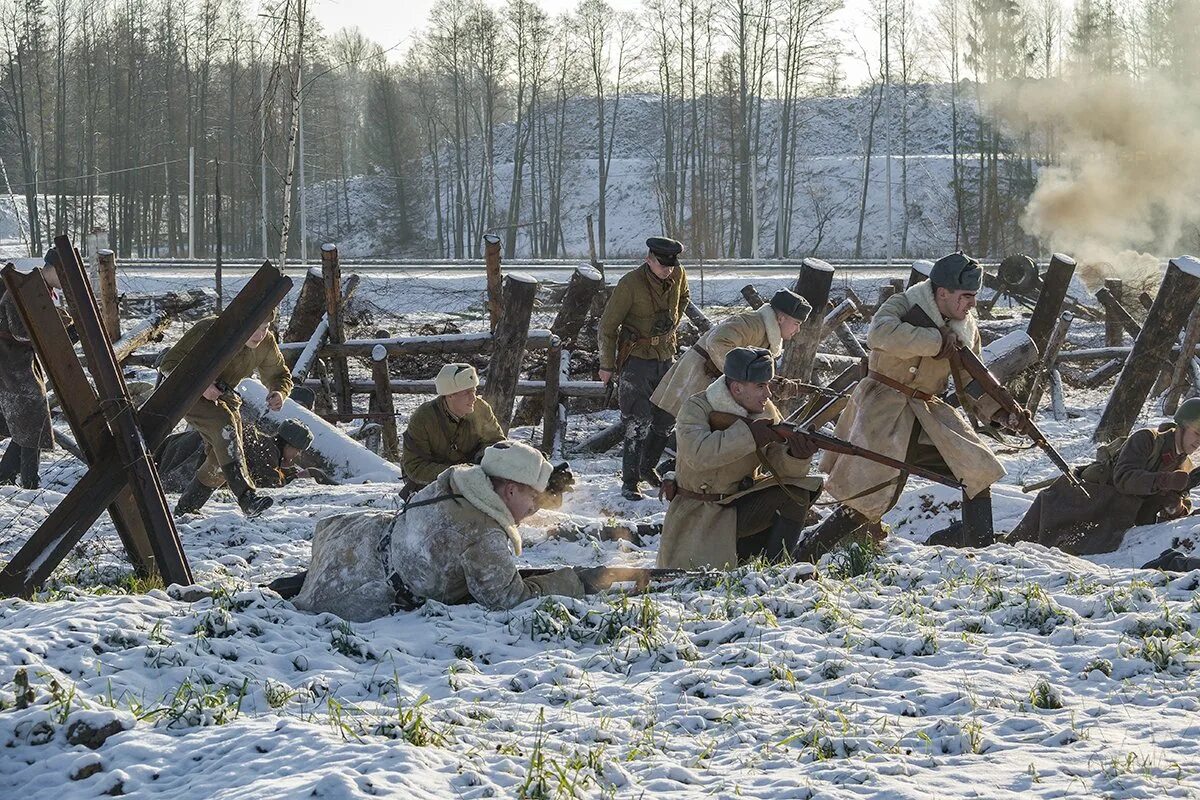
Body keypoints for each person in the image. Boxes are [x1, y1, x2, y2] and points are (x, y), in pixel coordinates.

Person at [804, 252, 1010, 559]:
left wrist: (1003, 413)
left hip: (927, 413)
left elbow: (972, 378)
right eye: (966, 296)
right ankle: (803, 556)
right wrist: (937, 343)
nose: (972, 305)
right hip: (883, 411)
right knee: (867, 498)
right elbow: (880, 334)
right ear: (942, 293)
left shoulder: (966, 326)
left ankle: (980, 558)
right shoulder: (903, 305)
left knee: (978, 473)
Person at [292, 441, 586, 620]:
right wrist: (572, 581)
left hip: (356, 539)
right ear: (509, 490)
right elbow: (507, 599)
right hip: (364, 591)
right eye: (532, 499)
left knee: (299, 582)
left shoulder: (461, 480)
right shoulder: (484, 534)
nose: (535, 507)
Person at [657, 347, 822, 570]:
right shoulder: (696, 408)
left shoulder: (765, 410)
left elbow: (777, 465)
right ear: (737, 388)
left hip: (738, 505)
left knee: (797, 493)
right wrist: (749, 435)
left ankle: (777, 570)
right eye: (760, 386)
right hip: (699, 513)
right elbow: (698, 455)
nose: (768, 394)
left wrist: (796, 456)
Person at [1007, 399, 1200, 555]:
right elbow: (1124, 479)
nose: (1199, 442)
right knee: (1029, 548)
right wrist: (1164, 480)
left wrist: (1175, 506)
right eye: (1197, 433)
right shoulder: (1147, 439)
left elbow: (1178, 507)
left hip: (1115, 519)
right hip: (1085, 501)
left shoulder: (1186, 465)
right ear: (1181, 427)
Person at [160, 314, 293, 517]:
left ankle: (185, 510)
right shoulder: (211, 329)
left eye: (265, 327)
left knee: (222, 459)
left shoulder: (266, 342)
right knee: (225, 425)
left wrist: (278, 392)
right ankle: (247, 497)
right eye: (255, 327)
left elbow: (279, 374)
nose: (260, 334)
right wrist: (203, 385)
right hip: (186, 392)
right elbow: (169, 364)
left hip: (225, 396)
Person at [598, 236, 690, 500]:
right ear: (649, 259)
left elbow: (684, 296)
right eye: (663, 265)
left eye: (672, 265)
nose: (668, 270)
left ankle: (647, 467)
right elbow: (607, 327)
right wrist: (606, 365)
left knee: (665, 418)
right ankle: (630, 482)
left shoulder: (678, 273)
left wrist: (670, 326)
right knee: (637, 422)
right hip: (637, 359)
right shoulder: (630, 284)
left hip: (666, 357)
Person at [650, 288, 811, 420]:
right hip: (696, 375)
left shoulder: (765, 333)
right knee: (666, 425)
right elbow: (716, 342)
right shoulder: (752, 324)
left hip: (710, 383)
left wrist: (773, 382)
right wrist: (745, 378)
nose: (797, 330)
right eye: (796, 323)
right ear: (781, 319)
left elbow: (750, 369)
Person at [0, 249, 67, 489]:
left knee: (31, 418)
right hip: (9, 362)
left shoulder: (42, 290)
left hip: (21, 361)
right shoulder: (24, 288)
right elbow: (19, 331)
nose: (65, 281)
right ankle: (27, 480)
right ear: (51, 268)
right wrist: (56, 325)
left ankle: (9, 474)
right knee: (32, 415)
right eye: (63, 274)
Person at [400, 363, 505, 497]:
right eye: (467, 392)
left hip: (474, 479)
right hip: (432, 484)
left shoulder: (482, 409)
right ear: (449, 395)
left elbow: (497, 444)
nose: (473, 398)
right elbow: (415, 466)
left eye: (474, 391)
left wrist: (479, 462)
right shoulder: (423, 418)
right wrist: (455, 474)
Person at [156, 417, 326, 493]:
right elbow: (270, 483)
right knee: (167, 486)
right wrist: (293, 477)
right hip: (198, 452)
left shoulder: (262, 443)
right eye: (297, 450)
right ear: (288, 445)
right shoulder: (266, 450)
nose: (296, 455)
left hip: (187, 441)